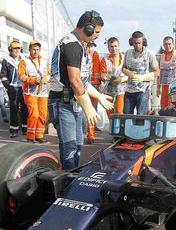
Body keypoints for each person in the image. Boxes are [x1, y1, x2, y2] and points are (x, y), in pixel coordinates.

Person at [51, 10, 113, 169]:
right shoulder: (72, 45)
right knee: (70, 148)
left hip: (74, 102)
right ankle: (67, 182)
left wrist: (98, 96)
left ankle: (71, 176)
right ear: (88, 28)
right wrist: (88, 106)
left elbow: (82, 81)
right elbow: (75, 80)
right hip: (64, 103)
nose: (98, 36)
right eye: (97, 32)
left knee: (78, 144)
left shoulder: (79, 45)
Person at [19, 40, 50, 143]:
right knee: (34, 114)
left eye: (37, 49)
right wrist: (32, 80)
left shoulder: (44, 61)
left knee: (43, 115)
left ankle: (39, 135)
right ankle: (30, 136)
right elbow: (21, 76)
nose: (36, 52)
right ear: (29, 50)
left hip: (43, 92)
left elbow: (49, 74)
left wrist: (47, 78)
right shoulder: (24, 61)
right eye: (34, 49)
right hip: (30, 92)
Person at [122, 31, 159, 115]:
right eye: (135, 43)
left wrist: (142, 78)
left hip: (143, 91)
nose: (137, 45)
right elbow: (123, 68)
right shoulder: (128, 53)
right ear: (132, 42)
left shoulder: (149, 54)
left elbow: (157, 72)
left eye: (139, 43)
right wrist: (128, 73)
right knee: (126, 116)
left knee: (141, 116)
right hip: (129, 91)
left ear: (143, 42)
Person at [1, 41, 27, 138]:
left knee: (25, 108)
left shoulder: (25, 59)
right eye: (14, 49)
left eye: (18, 48)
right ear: (10, 50)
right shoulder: (6, 60)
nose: (16, 50)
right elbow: (3, 76)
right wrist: (8, 86)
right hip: (13, 88)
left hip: (24, 87)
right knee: (14, 109)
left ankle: (25, 128)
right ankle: (13, 129)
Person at [100, 37, 127, 115]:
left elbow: (130, 74)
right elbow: (102, 73)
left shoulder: (125, 58)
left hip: (121, 90)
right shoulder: (104, 59)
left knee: (119, 111)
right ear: (108, 48)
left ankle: (119, 127)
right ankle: (112, 126)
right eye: (111, 46)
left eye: (115, 46)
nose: (114, 48)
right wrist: (104, 76)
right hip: (108, 90)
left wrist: (121, 79)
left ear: (119, 47)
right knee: (109, 112)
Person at [86, 41, 101, 144]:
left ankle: (91, 135)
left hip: (91, 86)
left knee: (91, 111)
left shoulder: (93, 54)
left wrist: (96, 84)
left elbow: (96, 71)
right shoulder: (77, 51)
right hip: (79, 86)